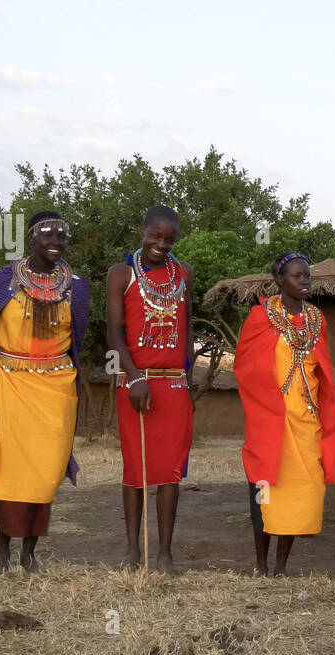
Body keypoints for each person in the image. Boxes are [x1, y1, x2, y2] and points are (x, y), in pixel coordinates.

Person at [0, 212, 90, 573]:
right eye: (48, 234)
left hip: (56, 385)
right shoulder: (6, 279)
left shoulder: (77, 287)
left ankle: (30, 552)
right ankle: (3, 547)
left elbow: (77, 342)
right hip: (11, 380)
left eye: (63, 236)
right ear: (31, 236)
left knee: (46, 470)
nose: (56, 240)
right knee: (9, 467)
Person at [234, 253, 335, 576]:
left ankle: (281, 566)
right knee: (265, 488)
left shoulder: (317, 321)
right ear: (280, 280)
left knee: (299, 492)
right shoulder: (261, 316)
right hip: (270, 421)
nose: (305, 281)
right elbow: (245, 367)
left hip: (307, 421)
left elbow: (321, 369)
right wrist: (263, 406)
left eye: (308, 276)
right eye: (297, 276)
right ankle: (261, 563)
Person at [105, 206, 196, 574]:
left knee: (170, 472)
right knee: (135, 470)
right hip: (135, 382)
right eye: (155, 236)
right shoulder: (121, 274)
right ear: (141, 230)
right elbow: (114, 332)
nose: (161, 244)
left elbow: (187, 329)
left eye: (169, 239)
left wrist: (187, 379)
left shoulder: (184, 273)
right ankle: (132, 551)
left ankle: (164, 554)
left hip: (174, 384)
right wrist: (135, 377)